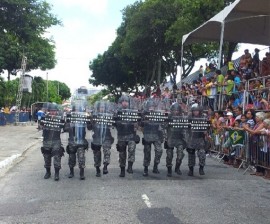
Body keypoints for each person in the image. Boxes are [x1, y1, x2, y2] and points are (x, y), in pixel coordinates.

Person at [115, 95, 140, 177]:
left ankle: (130, 166)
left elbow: (137, 122)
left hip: (131, 135)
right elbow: (113, 122)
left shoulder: (132, 111)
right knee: (122, 154)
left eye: (126, 101)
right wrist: (118, 123)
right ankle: (122, 169)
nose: (125, 103)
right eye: (123, 101)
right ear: (121, 102)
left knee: (132, 150)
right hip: (121, 135)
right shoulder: (117, 112)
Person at [65, 100, 91, 180]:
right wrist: (69, 124)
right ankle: (71, 172)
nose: (77, 110)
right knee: (71, 157)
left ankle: (82, 173)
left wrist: (90, 121)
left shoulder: (84, 118)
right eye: (76, 109)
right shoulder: (70, 118)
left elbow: (89, 128)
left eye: (79, 109)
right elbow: (65, 128)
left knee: (81, 157)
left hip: (81, 141)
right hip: (72, 141)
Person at [40, 103, 65, 181]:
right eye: (51, 111)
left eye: (54, 111)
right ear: (49, 111)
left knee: (57, 157)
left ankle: (57, 173)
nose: (52, 112)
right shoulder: (45, 118)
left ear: (56, 111)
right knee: (46, 157)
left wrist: (64, 122)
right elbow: (41, 125)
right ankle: (48, 172)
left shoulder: (59, 118)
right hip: (47, 140)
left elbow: (64, 126)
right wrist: (42, 122)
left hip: (56, 140)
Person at [90, 101, 114, 177]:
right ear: (98, 108)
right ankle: (97, 169)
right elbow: (89, 127)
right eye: (101, 107)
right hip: (96, 137)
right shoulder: (94, 116)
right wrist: (90, 122)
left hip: (106, 137)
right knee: (96, 154)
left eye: (103, 107)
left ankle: (105, 167)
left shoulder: (108, 116)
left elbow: (113, 124)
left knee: (107, 152)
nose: (102, 109)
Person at [141, 98, 165, 176]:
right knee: (147, 152)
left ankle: (155, 166)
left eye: (153, 106)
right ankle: (146, 168)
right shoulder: (144, 114)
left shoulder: (158, 114)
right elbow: (140, 124)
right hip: (147, 135)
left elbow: (162, 125)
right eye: (150, 106)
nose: (151, 108)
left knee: (159, 151)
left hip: (156, 135)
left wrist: (163, 136)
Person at [165, 102, 186, 177]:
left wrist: (185, 139)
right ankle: (169, 169)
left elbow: (184, 129)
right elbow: (163, 128)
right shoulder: (168, 118)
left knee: (180, 155)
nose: (176, 112)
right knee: (169, 155)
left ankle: (177, 168)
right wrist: (165, 138)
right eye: (174, 110)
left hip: (179, 139)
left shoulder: (182, 118)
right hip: (170, 138)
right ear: (172, 110)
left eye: (177, 110)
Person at [186, 105, 208, 176]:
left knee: (202, 153)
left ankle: (201, 168)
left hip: (200, 138)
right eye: (194, 111)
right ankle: (191, 169)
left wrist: (205, 131)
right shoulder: (189, 117)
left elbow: (206, 125)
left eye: (197, 110)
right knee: (191, 154)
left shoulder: (203, 117)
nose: (196, 112)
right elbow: (185, 127)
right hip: (191, 138)